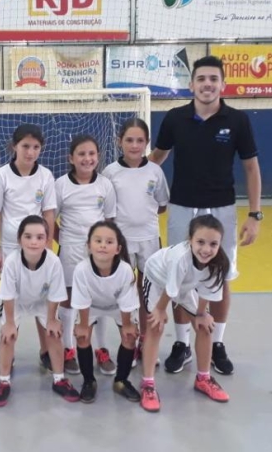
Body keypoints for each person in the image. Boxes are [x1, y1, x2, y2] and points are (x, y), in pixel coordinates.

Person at [148, 55, 262, 376]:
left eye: (214, 79)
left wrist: (255, 215)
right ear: (191, 84)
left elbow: (251, 168)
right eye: (202, 79)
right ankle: (182, 343)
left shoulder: (238, 120)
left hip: (222, 208)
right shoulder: (174, 119)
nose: (207, 84)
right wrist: (125, 173)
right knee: (180, 276)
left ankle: (217, 342)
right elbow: (157, 157)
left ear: (222, 84)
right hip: (182, 207)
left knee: (222, 276)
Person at [140, 215, 232, 411]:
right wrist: (159, 310)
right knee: (155, 326)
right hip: (158, 279)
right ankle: (148, 384)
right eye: (200, 242)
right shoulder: (180, 258)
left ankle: (204, 378)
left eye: (213, 244)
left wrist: (200, 314)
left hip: (183, 285)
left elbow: (207, 292)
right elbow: (170, 289)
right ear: (189, 240)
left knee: (205, 328)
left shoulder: (219, 264)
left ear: (219, 244)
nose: (206, 249)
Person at [0, 123, 57, 370]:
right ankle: (8, 353)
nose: (31, 152)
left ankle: (46, 351)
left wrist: (46, 247)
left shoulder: (45, 176)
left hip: (38, 248)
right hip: (10, 249)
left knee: (41, 299)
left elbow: (49, 213)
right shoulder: (1, 175)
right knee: (9, 301)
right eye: (25, 146)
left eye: (36, 147)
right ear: (14, 146)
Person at [0, 216, 80, 407]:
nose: (33, 242)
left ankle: (59, 379)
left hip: (41, 301)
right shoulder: (12, 262)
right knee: (8, 336)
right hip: (16, 302)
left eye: (40, 237)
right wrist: (9, 323)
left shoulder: (54, 262)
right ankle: (4, 381)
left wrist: (52, 320)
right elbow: (7, 295)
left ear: (47, 240)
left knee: (54, 333)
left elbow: (55, 295)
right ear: (19, 240)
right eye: (28, 236)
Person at [102, 118, 169, 366]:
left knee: (147, 294)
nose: (134, 145)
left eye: (140, 140)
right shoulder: (110, 172)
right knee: (125, 292)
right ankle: (127, 342)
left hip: (149, 239)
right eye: (129, 140)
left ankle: (145, 341)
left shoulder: (155, 171)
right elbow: (107, 209)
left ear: (146, 143)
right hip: (121, 241)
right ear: (120, 142)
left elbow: (161, 204)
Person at [54, 134, 119, 376]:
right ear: (71, 158)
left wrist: (103, 246)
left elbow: (110, 220)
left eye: (92, 154)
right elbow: (50, 219)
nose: (87, 158)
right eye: (81, 154)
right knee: (69, 300)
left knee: (99, 299)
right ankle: (68, 348)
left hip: (99, 253)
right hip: (70, 250)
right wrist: (64, 240)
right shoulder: (60, 185)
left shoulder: (105, 185)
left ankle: (101, 348)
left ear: (98, 157)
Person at [71, 221, 142, 404]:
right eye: (98, 240)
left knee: (129, 336)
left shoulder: (126, 270)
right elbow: (82, 300)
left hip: (118, 307)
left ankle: (121, 380)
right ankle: (88, 381)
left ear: (118, 249)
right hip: (92, 307)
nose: (103, 245)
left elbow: (127, 302)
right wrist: (83, 326)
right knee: (82, 337)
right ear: (89, 246)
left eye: (109, 242)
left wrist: (127, 325)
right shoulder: (81, 270)